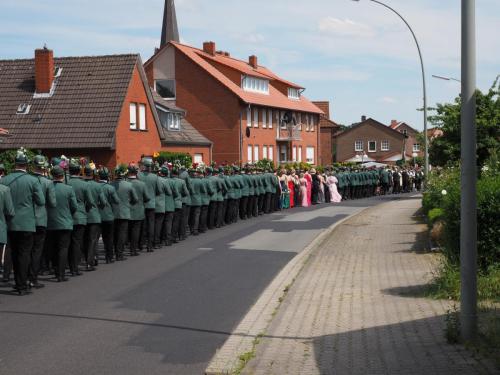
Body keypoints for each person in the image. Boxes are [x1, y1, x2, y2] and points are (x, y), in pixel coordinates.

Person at [1, 149, 45, 295]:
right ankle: (22, 284)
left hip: (10, 222)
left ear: (14, 164)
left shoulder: (5, 179)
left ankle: (18, 283)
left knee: (13, 252)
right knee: (25, 254)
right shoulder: (33, 180)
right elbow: (41, 201)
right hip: (27, 223)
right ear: (26, 165)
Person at [46, 166, 78, 282]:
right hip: (65, 222)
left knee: (53, 248)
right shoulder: (68, 189)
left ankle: (55, 270)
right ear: (62, 176)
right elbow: (74, 206)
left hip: (50, 222)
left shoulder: (47, 188)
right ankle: (61, 274)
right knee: (63, 248)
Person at [30, 154, 57, 288]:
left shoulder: (28, 179)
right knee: (37, 250)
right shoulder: (47, 182)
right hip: (41, 219)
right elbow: (52, 203)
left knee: (24, 250)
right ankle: (33, 277)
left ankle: (23, 277)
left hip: (26, 219)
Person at [67, 159, 95, 276]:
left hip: (67, 216)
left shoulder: (66, 183)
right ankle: (75, 267)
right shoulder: (84, 184)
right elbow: (90, 202)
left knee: (68, 243)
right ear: (79, 171)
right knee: (77, 242)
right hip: (80, 216)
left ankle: (68, 265)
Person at [111, 165, 138, 261]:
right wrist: (129, 203)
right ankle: (119, 253)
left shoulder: (111, 184)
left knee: (114, 233)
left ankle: (115, 251)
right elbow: (135, 199)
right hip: (125, 212)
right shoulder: (128, 185)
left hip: (113, 212)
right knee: (122, 233)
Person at [83, 165, 105, 271]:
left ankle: (83, 259)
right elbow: (103, 202)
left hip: (82, 215)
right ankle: (90, 261)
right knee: (93, 240)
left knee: (83, 239)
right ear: (93, 173)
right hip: (94, 215)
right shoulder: (97, 186)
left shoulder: (80, 184)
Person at [97, 167, 120, 263]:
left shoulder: (95, 186)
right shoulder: (110, 188)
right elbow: (116, 201)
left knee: (94, 239)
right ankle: (109, 257)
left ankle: (94, 258)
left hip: (97, 216)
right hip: (108, 215)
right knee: (109, 237)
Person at [128, 163, 151, 256]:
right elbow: (147, 197)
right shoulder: (142, 184)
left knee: (126, 230)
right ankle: (133, 249)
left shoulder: (125, 182)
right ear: (136, 173)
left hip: (127, 210)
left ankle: (125, 247)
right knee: (136, 230)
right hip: (138, 210)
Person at [138, 157, 159, 252]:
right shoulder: (155, 177)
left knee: (142, 225)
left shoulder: (139, 175)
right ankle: (150, 245)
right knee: (151, 225)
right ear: (150, 167)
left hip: (141, 203)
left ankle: (141, 244)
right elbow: (158, 190)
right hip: (151, 203)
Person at [0, 181, 15, 284]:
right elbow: (9, 211)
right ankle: (6, 273)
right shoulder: (4, 189)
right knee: (5, 251)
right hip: (1, 225)